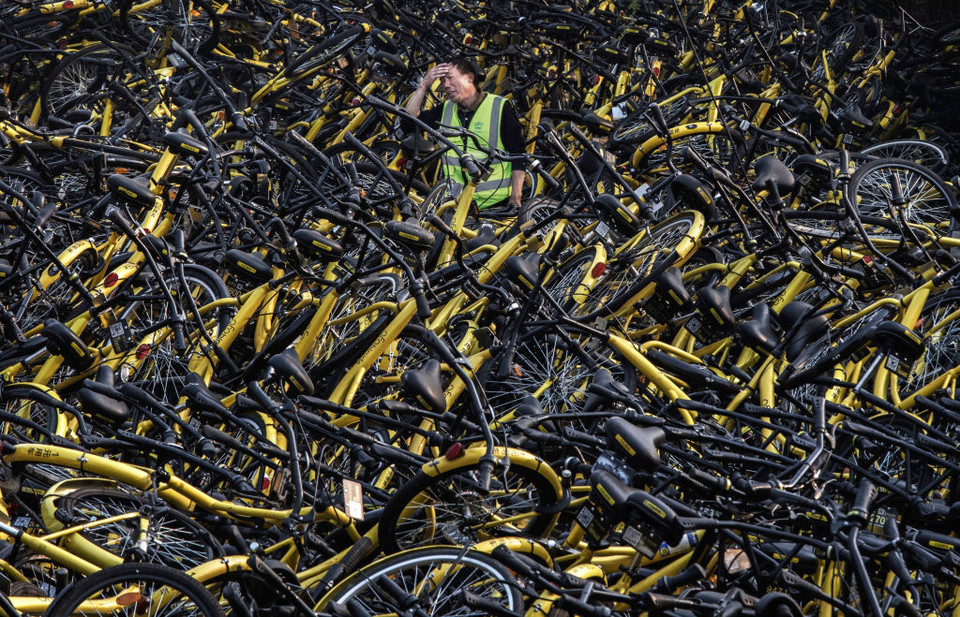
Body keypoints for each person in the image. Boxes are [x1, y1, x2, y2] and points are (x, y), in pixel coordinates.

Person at [402, 57, 526, 211]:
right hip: (454, 203)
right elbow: (408, 123)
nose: (445, 85)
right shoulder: (445, 109)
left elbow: (518, 155)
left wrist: (515, 198)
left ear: (469, 78)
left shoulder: (499, 107)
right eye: (441, 80)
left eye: (450, 78)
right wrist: (423, 86)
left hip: (494, 205)